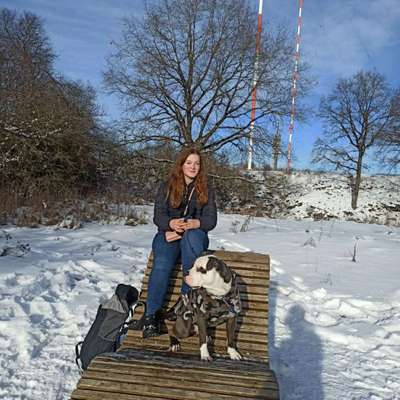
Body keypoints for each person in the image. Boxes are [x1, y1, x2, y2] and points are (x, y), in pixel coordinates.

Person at [142, 147, 217, 338]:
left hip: (194, 235)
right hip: (169, 235)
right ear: (181, 165)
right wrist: (170, 224)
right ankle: (151, 317)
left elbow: (211, 220)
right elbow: (158, 215)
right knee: (161, 264)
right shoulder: (167, 186)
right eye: (189, 163)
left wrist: (197, 223)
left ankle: (185, 308)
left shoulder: (206, 189)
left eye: (197, 163)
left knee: (192, 240)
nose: (193, 167)